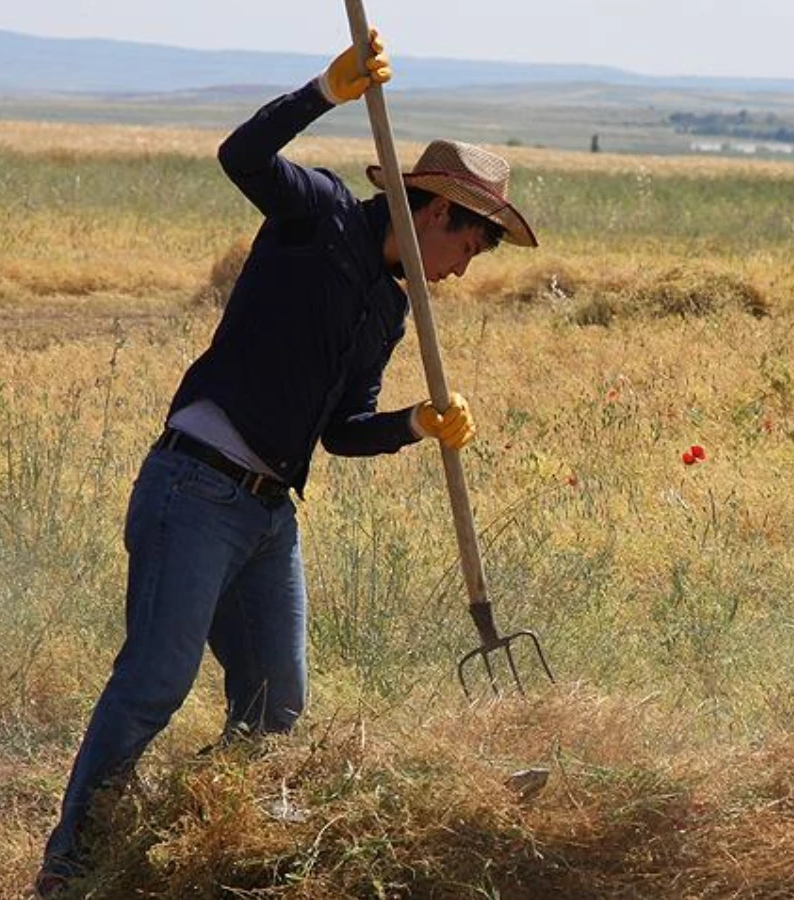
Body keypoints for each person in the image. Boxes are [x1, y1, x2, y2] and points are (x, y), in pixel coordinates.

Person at [35, 29, 537, 897]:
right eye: (468, 247)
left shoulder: (387, 310)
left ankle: (186, 845)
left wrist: (416, 422)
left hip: (269, 515)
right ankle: (70, 865)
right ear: (436, 214)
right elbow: (240, 154)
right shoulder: (320, 214)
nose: (462, 270)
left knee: (276, 713)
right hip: (194, 485)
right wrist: (322, 92)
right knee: (155, 682)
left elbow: (340, 430)